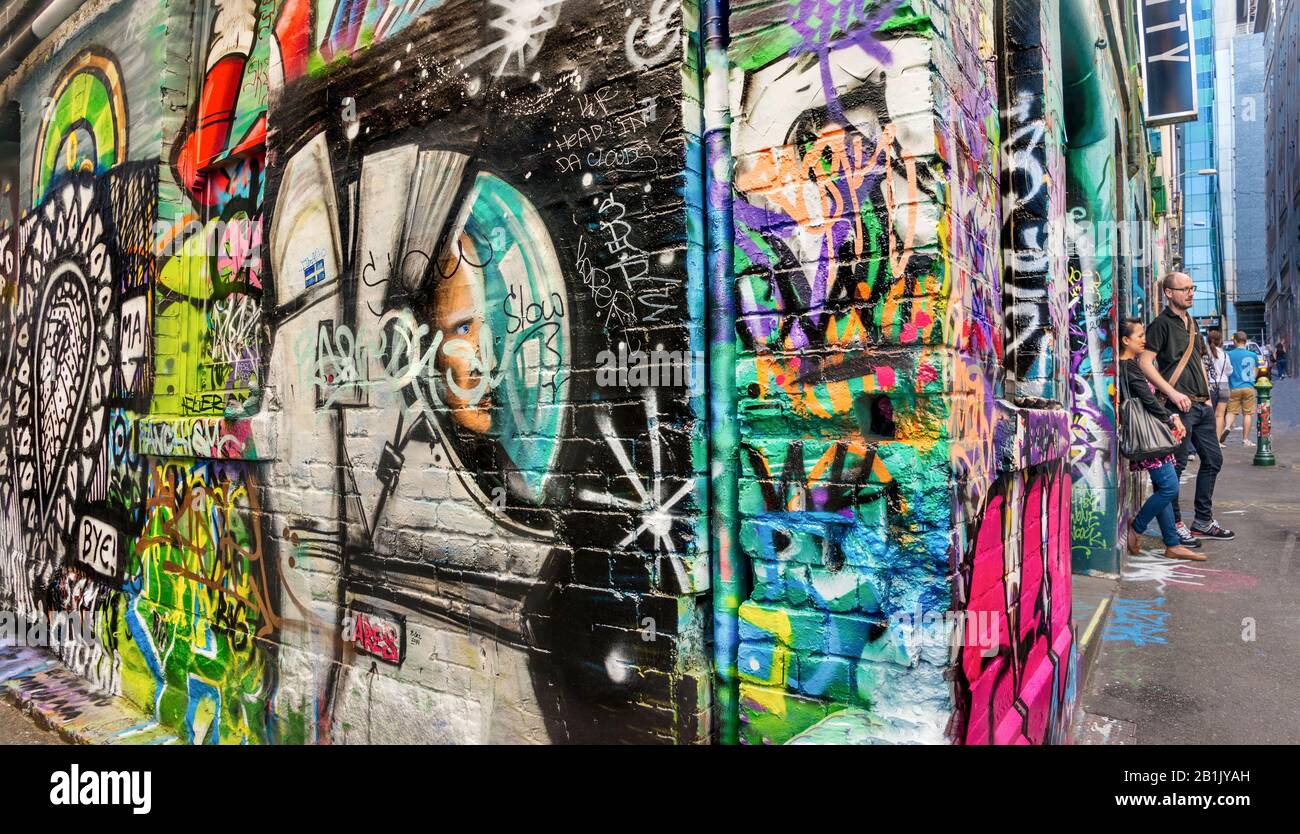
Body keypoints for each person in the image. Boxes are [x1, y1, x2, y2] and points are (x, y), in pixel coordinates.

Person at [1140, 272, 1233, 542]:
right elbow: (1145, 362)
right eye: (1184, 289)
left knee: (1213, 459)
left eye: (1193, 288)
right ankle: (1177, 524)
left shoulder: (1191, 322)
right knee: (1177, 467)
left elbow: (1195, 361)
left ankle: (1203, 520)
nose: (1191, 293)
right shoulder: (1160, 324)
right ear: (1169, 293)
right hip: (1179, 407)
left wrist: (1207, 397)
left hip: (1201, 405)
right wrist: (1172, 392)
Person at [1120, 319, 1201, 561]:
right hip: (1151, 436)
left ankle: (1172, 544)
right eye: (1139, 336)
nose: (1144, 339)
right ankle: (1136, 528)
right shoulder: (1129, 367)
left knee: (1164, 487)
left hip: (1149, 435)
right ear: (1125, 340)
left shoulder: (1128, 365)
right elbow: (1148, 400)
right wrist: (1171, 419)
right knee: (1169, 487)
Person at [1223, 331, 1260, 446]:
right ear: (1245, 341)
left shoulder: (1228, 354)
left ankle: (1228, 426)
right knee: (1247, 414)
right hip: (1248, 387)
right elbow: (1256, 370)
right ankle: (1245, 439)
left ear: (1235, 341)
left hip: (1234, 387)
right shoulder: (1253, 355)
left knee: (1231, 411)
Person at [1204, 330, 1231, 446]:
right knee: (1220, 415)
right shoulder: (1225, 355)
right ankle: (1217, 441)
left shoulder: (1205, 353)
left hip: (1210, 385)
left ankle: (1208, 441)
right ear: (1220, 341)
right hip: (1224, 385)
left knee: (1209, 415)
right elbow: (1229, 370)